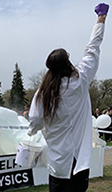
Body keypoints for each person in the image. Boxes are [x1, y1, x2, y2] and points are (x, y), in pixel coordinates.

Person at [27, 3, 109, 192]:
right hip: (79, 160)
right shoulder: (80, 81)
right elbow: (93, 48)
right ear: (68, 63)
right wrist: (101, 19)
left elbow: (35, 120)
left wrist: (32, 132)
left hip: (58, 162)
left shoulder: (43, 93)